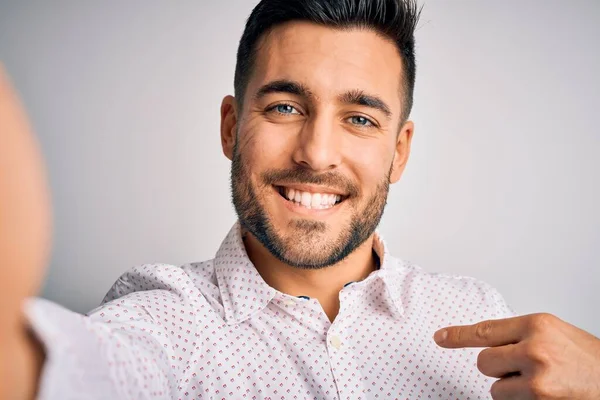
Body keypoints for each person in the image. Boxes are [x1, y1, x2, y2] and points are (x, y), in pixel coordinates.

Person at [1, 0, 599, 399]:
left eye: (360, 118)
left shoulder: (478, 316)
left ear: (399, 151)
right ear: (232, 127)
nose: (316, 153)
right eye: (285, 107)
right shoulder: (160, 320)